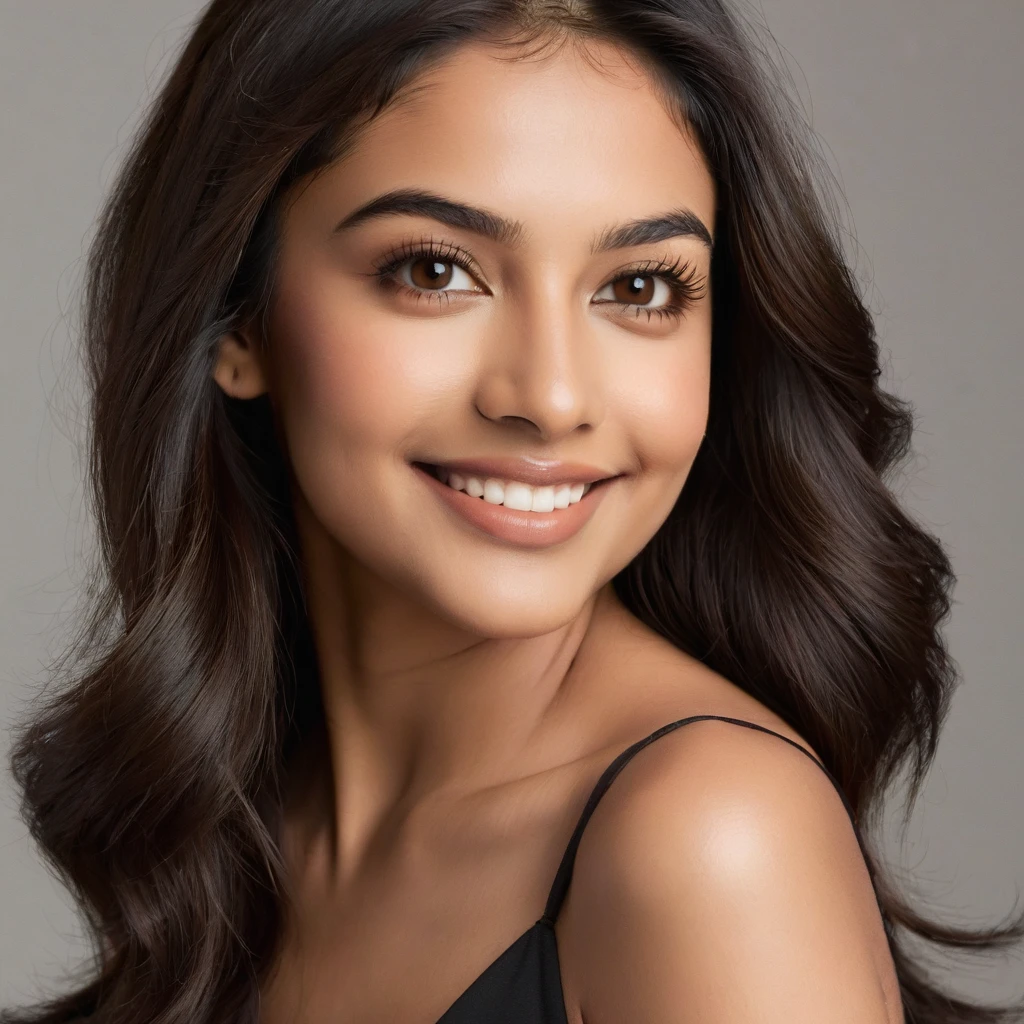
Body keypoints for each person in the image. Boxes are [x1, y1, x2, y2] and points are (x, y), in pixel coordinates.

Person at [5, 1, 1022, 1022]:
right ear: (236, 314)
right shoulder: (231, 825)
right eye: (436, 270)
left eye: (637, 287)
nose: (549, 395)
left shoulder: (709, 840)